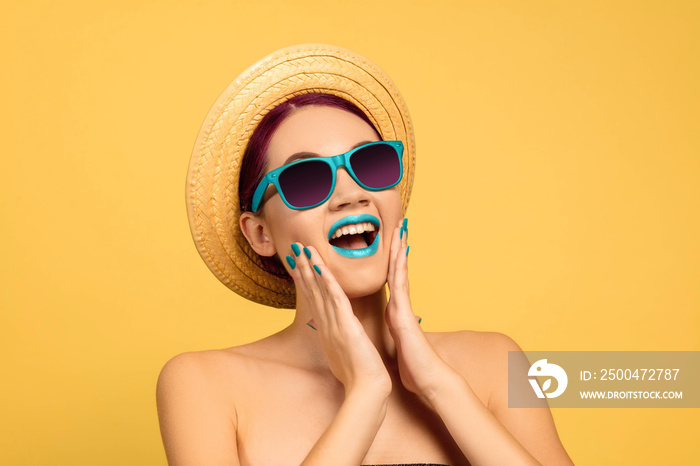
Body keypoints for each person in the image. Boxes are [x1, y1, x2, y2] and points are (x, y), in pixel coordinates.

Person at [157, 44, 574, 466]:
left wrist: (438, 385)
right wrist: (366, 392)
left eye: (370, 163)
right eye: (306, 179)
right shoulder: (203, 385)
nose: (351, 194)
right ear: (261, 234)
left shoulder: (493, 363)